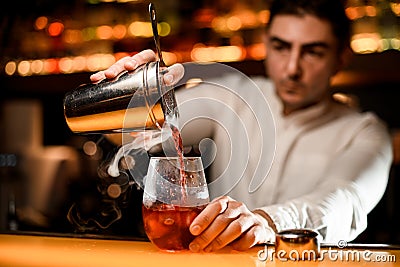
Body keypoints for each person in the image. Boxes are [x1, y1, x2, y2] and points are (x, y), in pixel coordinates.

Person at [89, 0, 393, 252]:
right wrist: (124, 97)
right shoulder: (234, 94)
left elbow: (343, 201)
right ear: (265, 45)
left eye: (313, 51)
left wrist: (268, 222)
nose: (292, 68)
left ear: (341, 58)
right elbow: (134, 135)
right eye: (281, 47)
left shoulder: (365, 133)